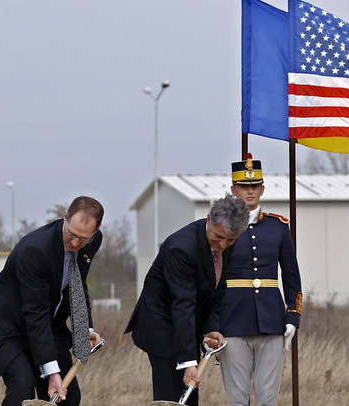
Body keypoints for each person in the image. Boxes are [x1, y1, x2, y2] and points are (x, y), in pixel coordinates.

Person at [0, 196, 104, 406]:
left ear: (96, 230)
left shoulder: (92, 241)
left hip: (47, 325)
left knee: (68, 397)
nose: (76, 243)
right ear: (65, 218)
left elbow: (77, 284)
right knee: (23, 388)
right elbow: (35, 312)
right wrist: (51, 372)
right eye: (72, 234)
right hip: (5, 326)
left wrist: (85, 329)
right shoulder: (35, 249)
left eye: (83, 238)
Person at [124, 194, 249, 406]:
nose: (223, 244)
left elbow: (217, 288)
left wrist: (211, 327)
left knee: (189, 396)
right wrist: (188, 362)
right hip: (161, 324)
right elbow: (183, 304)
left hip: (186, 322)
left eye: (230, 240)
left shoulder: (227, 240)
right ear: (209, 219)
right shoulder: (180, 248)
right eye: (218, 237)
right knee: (172, 397)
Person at [218, 154, 302, 406]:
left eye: (255, 186)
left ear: (263, 188)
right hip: (232, 321)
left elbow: (291, 275)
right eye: (244, 186)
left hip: (272, 320)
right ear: (233, 190)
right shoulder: (220, 227)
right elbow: (211, 277)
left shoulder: (278, 227)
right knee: (238, 400)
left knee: (268, 399)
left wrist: (293, 315)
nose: (250, 191)